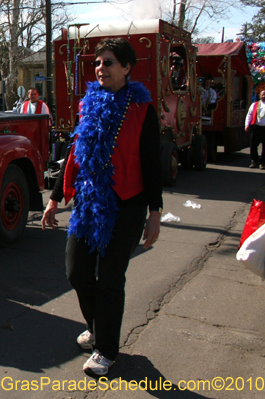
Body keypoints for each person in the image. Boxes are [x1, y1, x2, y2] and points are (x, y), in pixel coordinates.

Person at [41, 38, 162, 377]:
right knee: (76, 270)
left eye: (108, 62)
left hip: (127, 204)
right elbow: (75, 155)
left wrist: (154, 212)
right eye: (97, 63)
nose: (100, 68)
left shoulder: (142, 109)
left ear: (126, 67)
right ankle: (97, 327)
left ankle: (106, 350)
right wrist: (54, 199)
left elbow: (152, 162)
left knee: (109, 279)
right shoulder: (88, 103)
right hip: (89, 203)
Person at [245, 88, 265, 169]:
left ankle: (263, 162)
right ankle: (255, 160)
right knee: (253, 145)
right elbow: (249, 115)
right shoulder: (254, 104)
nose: (264, 96)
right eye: (262, 95)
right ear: (260, 96)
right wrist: (247, 125)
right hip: (256, 127)